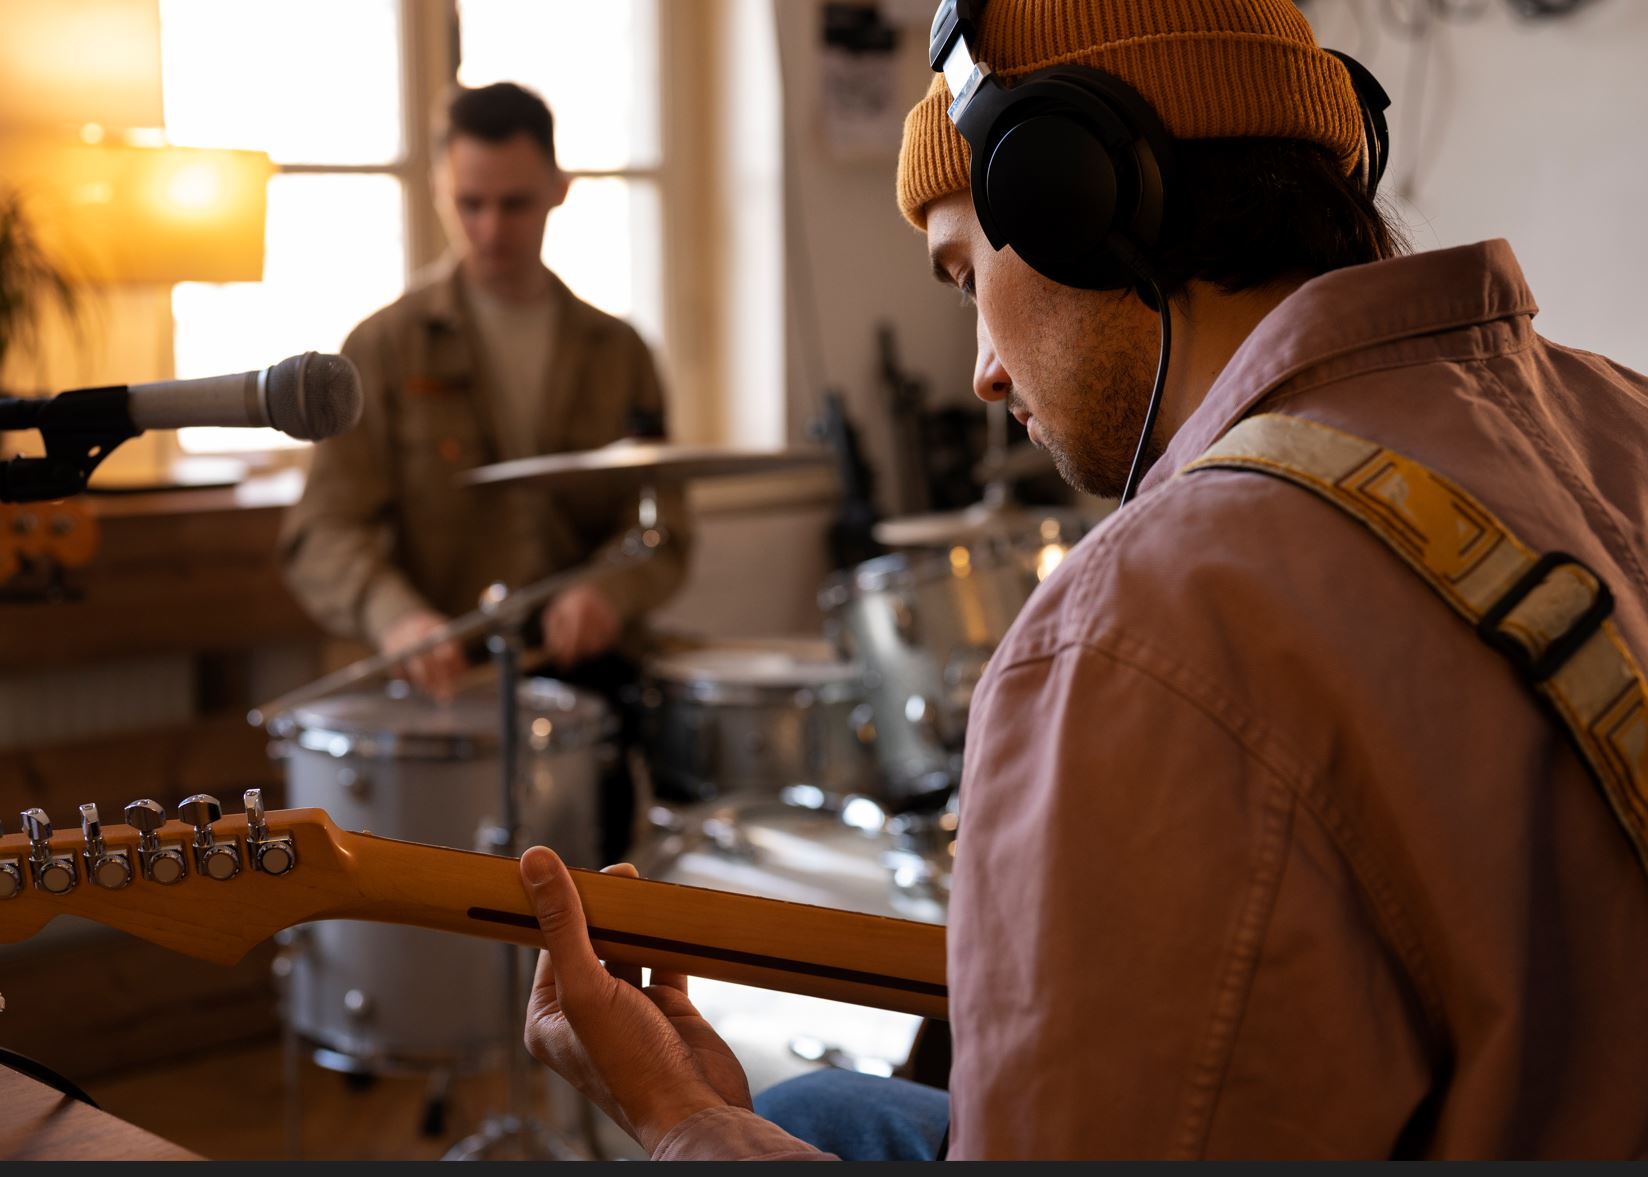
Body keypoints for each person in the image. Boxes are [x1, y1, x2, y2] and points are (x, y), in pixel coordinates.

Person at [507, 0, 1648, 1160]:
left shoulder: (1139, 626)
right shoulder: (1621, 415)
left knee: (773, 1116)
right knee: (819, 1111)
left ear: (1080, 201)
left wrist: (680, 1118)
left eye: (966, 277)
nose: (987, 371)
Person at [280, 83, 690, 860]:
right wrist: (394, 615)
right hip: (432, 716)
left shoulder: (620, 353)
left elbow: (664, 529)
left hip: (582, 707)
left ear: (559, 193)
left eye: (515, 204)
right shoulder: (382, 348)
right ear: (440, 190)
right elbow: (322, 530)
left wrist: (610, 591)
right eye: (469, 203)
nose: (490, 228)